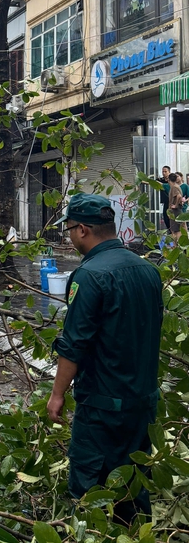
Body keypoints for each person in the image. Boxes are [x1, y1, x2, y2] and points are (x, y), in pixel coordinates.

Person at [47, 193, 163, 523]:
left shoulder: (89, 276)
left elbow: (74, 345)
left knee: (89, 491)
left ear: (83, 229)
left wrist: (57, 395)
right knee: (132, 483)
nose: (68, 236)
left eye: (68, 229)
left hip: (102, 409)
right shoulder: (148, 271)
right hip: (142, 404)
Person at [167, 173, 184, 242]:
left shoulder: (174, 187)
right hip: (177, 210)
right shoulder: (176, 186)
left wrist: (175, 205)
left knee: (175, 230)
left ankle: (176, 246)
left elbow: (179, 196)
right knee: (177, 229)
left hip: (175, 211)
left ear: (169, 179)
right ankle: (177, 245)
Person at [158, 166, 171, 231]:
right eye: (163, 171)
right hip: (165, 202)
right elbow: (152, 183)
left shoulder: (172, 181)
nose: (164, 173)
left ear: (169, 172)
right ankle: (170, 231)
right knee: (165, 217)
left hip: (172, 202)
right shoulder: (161, 180)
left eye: (165, 171)